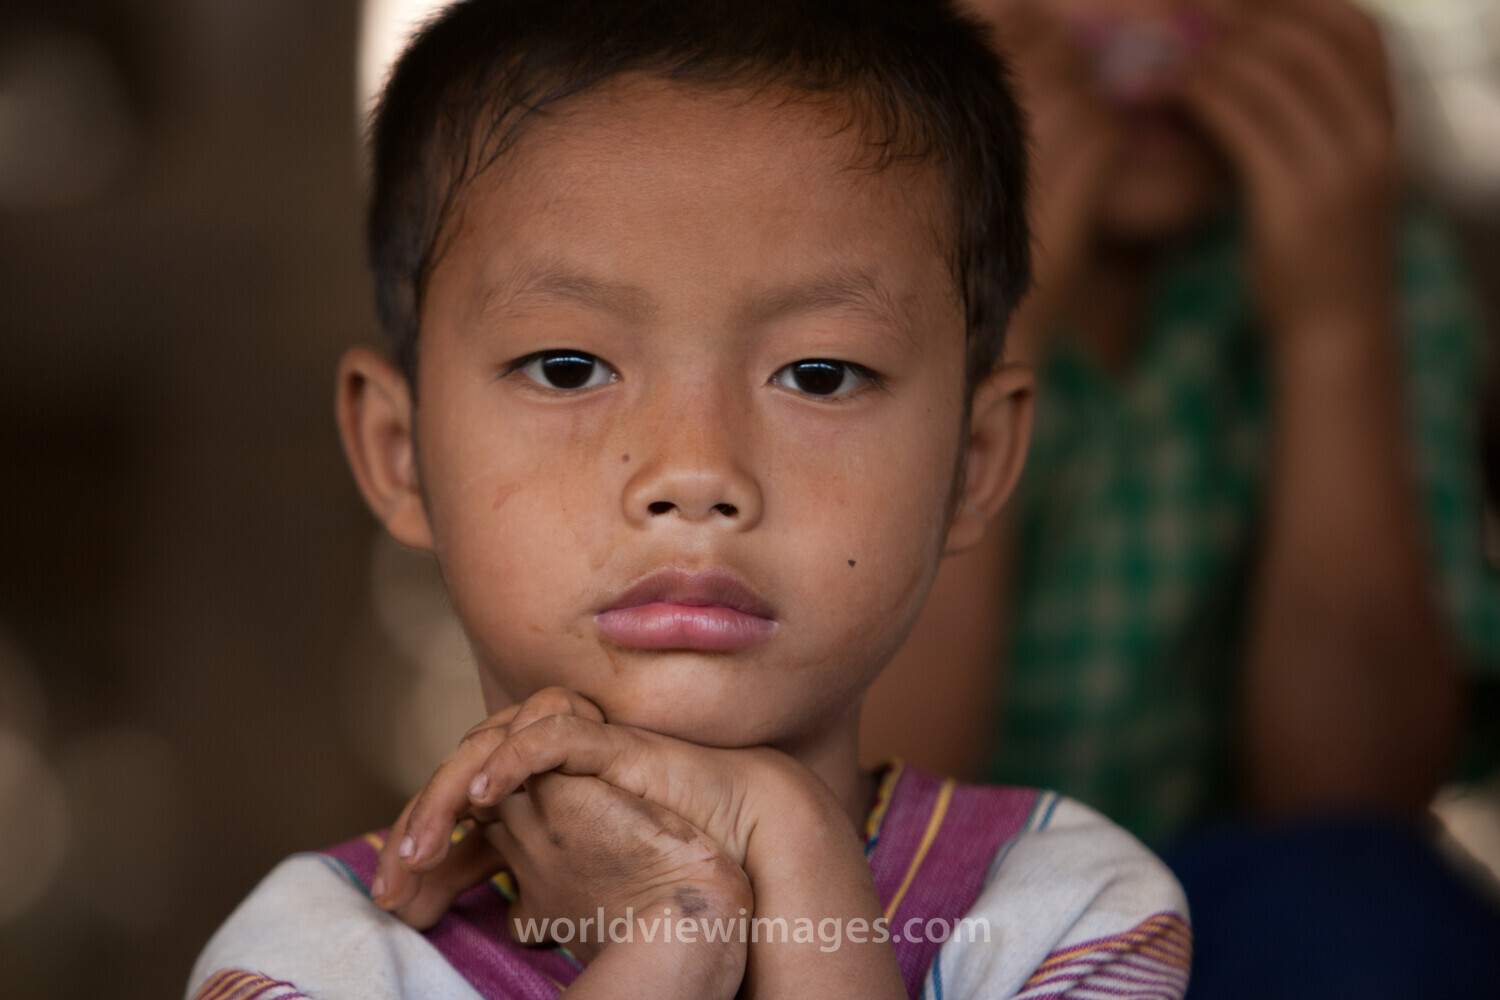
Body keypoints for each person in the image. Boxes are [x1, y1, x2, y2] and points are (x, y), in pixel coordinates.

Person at [183, 2, 1192, 999]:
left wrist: (794, 847)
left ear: (974, 460)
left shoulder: (1063, 910)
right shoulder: (313, 958)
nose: (696, 472)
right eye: (570, 367)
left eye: (820, 375)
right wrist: (678, 935)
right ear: (400, 453)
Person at [861, 0, 1500, 995]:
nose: (1155, 15)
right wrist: (988, 320)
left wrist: (1335, 329)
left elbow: (1356, 811)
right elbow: (861, 820)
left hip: (1232, 923)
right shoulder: (834, 268)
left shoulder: (1365, 249)